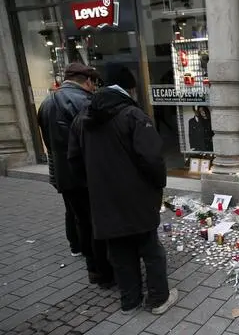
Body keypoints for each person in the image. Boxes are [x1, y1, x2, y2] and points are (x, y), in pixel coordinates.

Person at [68, 63, 178, 315]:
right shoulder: (132, 115)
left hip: (103, 200)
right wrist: (157, 185)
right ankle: (159, 299)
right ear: (130, 87)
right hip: (136, 197)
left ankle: (130, 301)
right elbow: (152, 158)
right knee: (150, 249)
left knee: (119, 252)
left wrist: (94, 186)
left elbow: (73, 159)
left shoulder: (83, 117)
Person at [37, 63, 114, 287]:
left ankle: (84, 257)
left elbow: (49, 145)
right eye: (93, 83)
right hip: (85, 175)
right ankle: (101, 271)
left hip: (62, 174)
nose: (94, 88)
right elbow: (95, 144)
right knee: (95, 223)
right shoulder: (84, 102)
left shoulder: (46, 103)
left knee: (79, 218)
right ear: (88, 81)